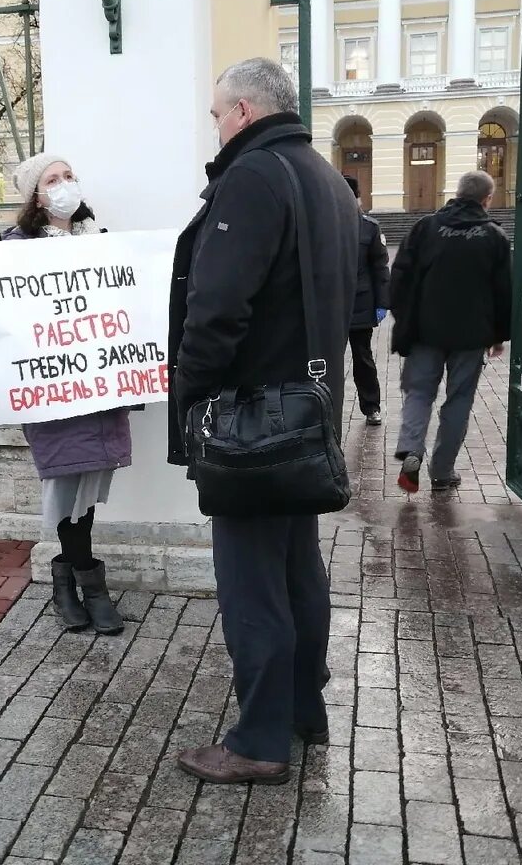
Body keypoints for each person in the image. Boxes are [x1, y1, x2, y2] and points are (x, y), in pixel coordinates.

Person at [167, 58, 359, 785]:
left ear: (243, 111)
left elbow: (217, 309)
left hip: (252, 422)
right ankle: (303, 711)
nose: (213, 126)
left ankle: (257, 741)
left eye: (216, 113)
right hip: (303, 414)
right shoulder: (321, 176)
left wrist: (191, 397)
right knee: (297, 571)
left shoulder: (251, 177)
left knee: (252, 583)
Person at [0, 153, 126, 636]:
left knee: (89, 485)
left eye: (70, 175)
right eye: (53, 179)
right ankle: (85, 584)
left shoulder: (101, 243)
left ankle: (70, 577)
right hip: (52, 390)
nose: (65, 184)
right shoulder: (12, 251)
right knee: (67, 482)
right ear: (35, 196)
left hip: (95, 387)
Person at [389, 169, 512, 493]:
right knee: (458, 401)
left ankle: (412, 449)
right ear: (487, 199)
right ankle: (442, 472)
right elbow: (504, 291)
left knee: (419, 393)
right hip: (471, 336)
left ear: (456, 193)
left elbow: (400, 275)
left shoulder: (426, 228)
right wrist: (499, 334)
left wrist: (402, 318)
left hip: (425, 330)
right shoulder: (494, 237)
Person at [345, 176, 390, 426]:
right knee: (325, 361)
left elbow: (380, 267)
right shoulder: (324, 225)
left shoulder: (369, 227)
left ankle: (371, 406)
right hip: (332, 306)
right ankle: (324, 407)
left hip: (361, 304)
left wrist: (382, 303)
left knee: (363, 358)